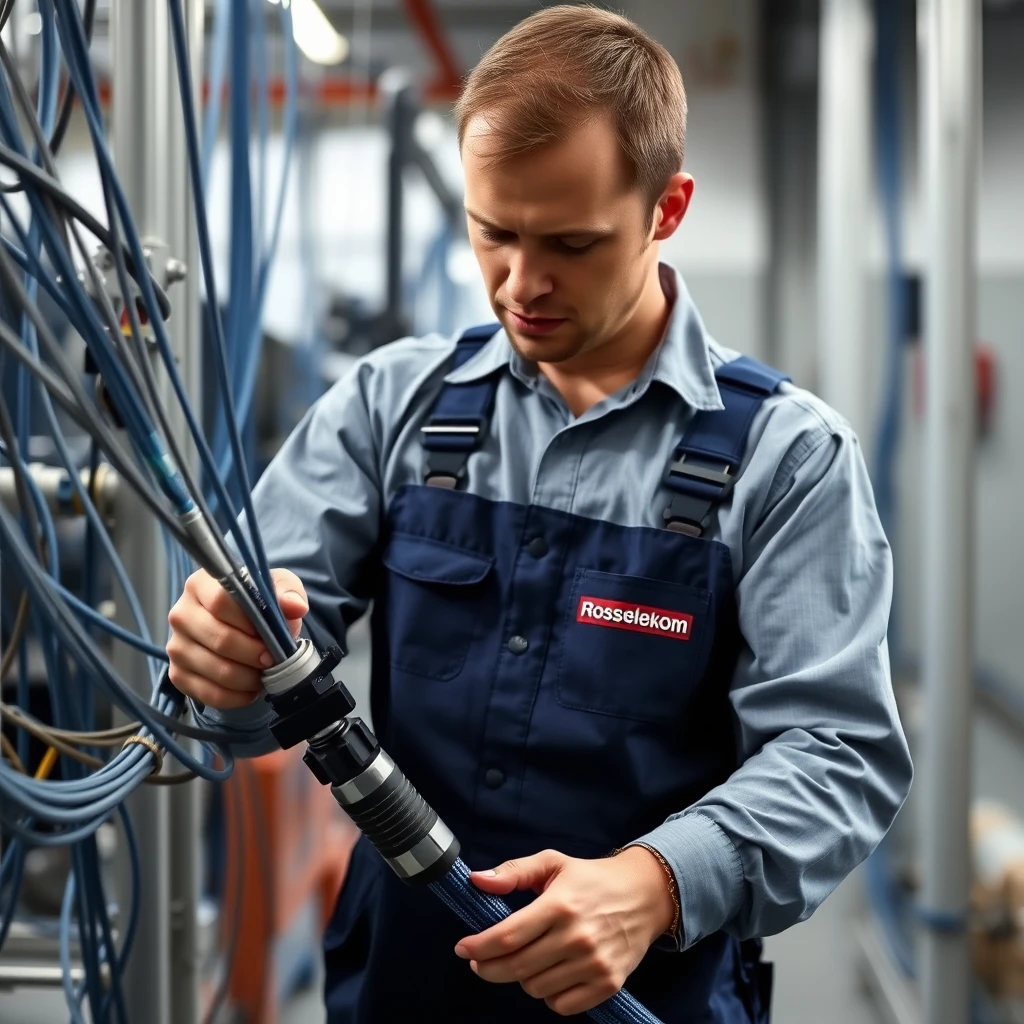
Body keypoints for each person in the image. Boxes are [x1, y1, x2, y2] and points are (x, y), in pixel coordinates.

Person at [166, 7, 913, 1022]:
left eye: (569, 242)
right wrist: (223, 661)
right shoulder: (395, 406)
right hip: (404, 981)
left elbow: (836, 751)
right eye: (493, 232)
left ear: (667, 209)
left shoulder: (787, 458)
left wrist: (656, 882)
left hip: (651, 985)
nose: (521, 284)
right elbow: (247, 700)